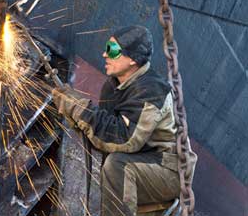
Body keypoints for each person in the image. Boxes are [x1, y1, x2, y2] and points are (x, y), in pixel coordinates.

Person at [52, 25, 197, 215]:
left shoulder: (151, 92)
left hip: (169, 171)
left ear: (132, 59)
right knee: (115, 163)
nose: (104, 54)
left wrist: (80, 108)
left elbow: (124, 140)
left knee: (117, 166)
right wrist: (75, 114)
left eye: (112, 50)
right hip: (141, 161)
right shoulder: (112, 86)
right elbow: (103, 137)